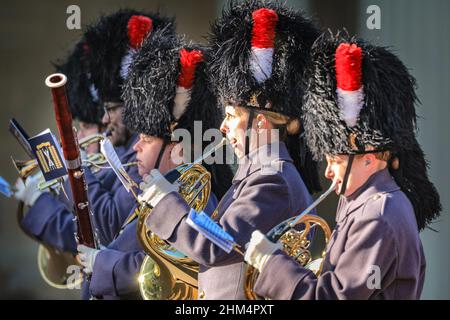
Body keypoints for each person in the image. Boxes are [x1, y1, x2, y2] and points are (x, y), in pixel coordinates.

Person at [139, 0, 321, 299]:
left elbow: (217, 243)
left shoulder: (271, 180)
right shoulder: (260, 175)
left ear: (260, 122)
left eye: (231, 116)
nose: (223, 127)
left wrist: (167, 202)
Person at [244, 32, 442, 300]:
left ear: (370, 158)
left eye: (335, 161)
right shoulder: (364, 202)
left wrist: (273, 264)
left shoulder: (378, 215)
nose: (327, 172)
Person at [76, 29, 233, 299]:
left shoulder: (193, 201)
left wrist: (101, 263)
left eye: (147, 140)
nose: (136, 146)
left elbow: (164, 270)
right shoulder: (157, 190)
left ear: (178, 151)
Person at [17, 10, 173, 253]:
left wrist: (64, 176)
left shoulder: (142, 157)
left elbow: (105, 227)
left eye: (110, 108)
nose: (103, 117)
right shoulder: (127, 151)